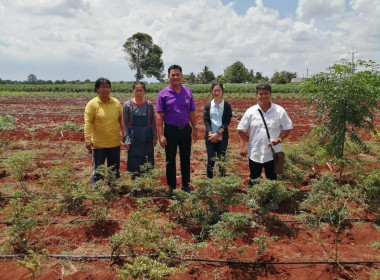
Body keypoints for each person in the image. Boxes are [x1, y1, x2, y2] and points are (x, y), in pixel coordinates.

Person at [237, 84, 293, 186]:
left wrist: (280, 139)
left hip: (272, 153)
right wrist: (242, 146)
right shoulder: (250, 112)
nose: (263, 96)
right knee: (254, 177)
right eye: (260, 94)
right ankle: (253, 199)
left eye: (266, 93)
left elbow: (288, 127)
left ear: (270, 95)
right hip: (255, 152)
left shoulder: (279, 111)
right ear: (256, 95)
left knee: (272, 179)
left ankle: (270, 200)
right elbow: (241, 130)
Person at [156, 64, 198, 197]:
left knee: (185, 158)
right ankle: (172, 187)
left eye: (177, 74)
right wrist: (161, 135)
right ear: (168, 77)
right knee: (170, 159)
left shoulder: (187, 92)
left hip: (185, 129)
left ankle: (185, 184)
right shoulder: (163, 94)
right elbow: (159, 115)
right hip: (170, 130)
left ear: (181, 76)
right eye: (172, 75)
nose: (175, 77)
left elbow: (192, 111)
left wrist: (195, 128)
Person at [84, 77, 123, 185]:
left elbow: (121, 121)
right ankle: (97, 190)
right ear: (97, 89)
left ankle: (113, 187)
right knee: (98, 169)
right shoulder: (92, 104)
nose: (105, 89)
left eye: (107, 87)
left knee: (114, 169)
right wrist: (87, 140)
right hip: (98, 144)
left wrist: (125, 135)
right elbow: (88, 123)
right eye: (102, 87)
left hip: (114, 142)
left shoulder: (116, 103)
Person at [123, 81, 157, 177]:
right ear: (133, 91)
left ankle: (147, 185)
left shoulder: (148, 104)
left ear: (144, 91)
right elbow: (124, 123)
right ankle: (135, 185)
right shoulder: (127, 105)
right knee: (134, 160)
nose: (138, 92)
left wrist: (154, 136)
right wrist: (127, 139)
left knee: (147, 159)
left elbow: (153, 121)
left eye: (141, 90)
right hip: (134, 137)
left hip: (147, 137)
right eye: (136, 90)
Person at [203, 82, 232, 179]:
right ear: (212, 91)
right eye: (214, 90)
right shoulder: (208, 105)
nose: (216, 92)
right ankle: (209, 180)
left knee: (221, 159)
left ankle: (222, 181)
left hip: (222, 136)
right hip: (210, 136)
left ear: (222, 92)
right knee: (210, 159)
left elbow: (227, 121)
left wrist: (218, 133)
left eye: (218, 90)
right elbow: (206, 120)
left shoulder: (226, 105)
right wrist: (211, 134)